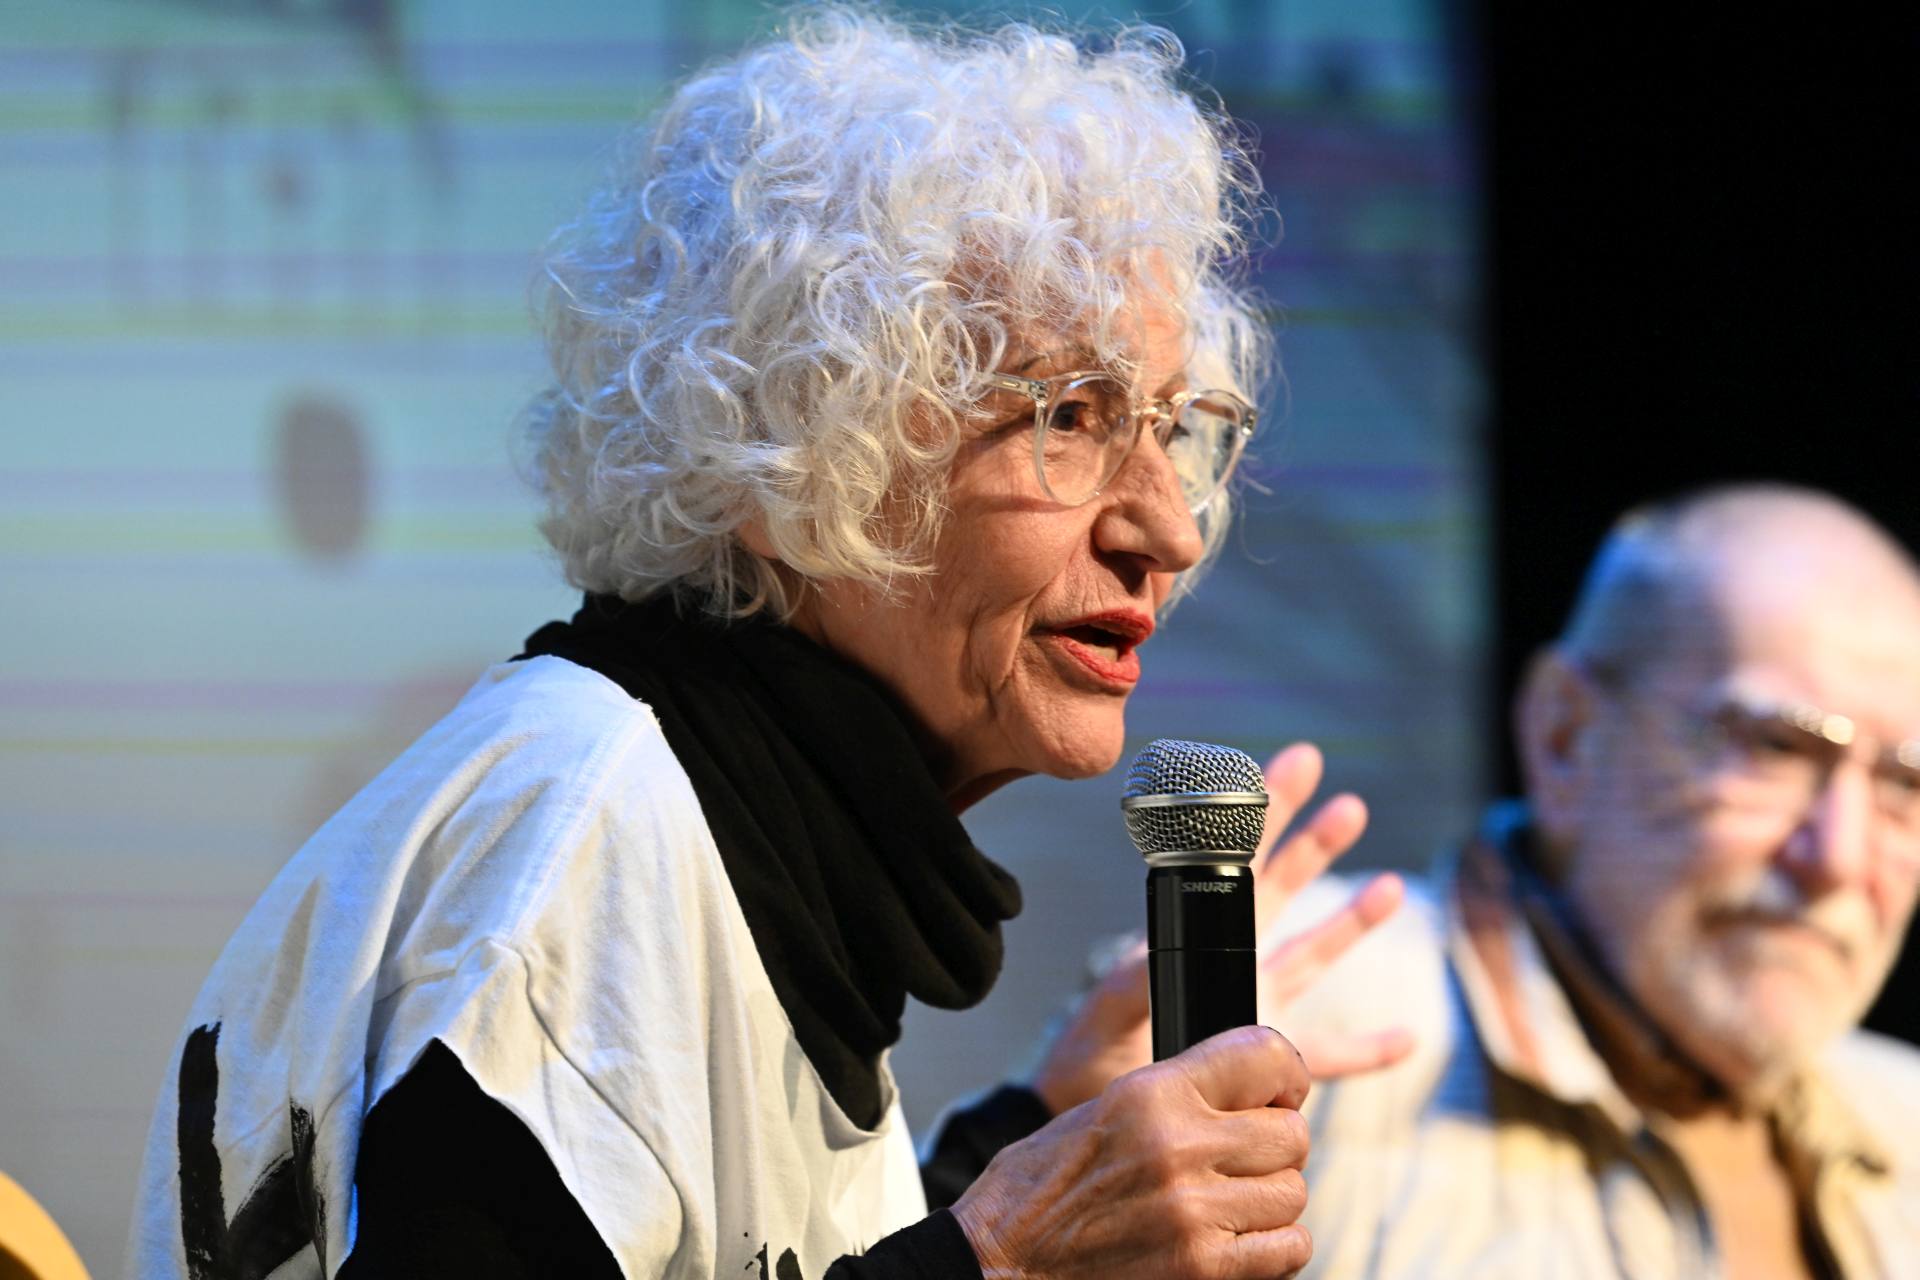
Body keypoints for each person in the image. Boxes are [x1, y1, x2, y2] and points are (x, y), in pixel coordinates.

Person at [123, 10, 1405, 1278]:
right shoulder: (582, 838)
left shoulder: (747, 855)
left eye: (1177, 429)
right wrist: (1004, 1260)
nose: (1169, 528)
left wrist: (1031, 1142)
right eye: (1070, 416)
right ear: (790, 447)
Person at [1272, 485, 1920, 1278]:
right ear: (1567, 736)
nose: (1838, 859)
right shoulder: (1293, 1020)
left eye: (1906, 787)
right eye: (1774, 748)